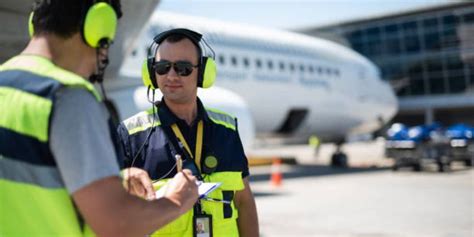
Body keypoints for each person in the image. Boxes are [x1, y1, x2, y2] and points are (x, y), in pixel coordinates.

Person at [0, 1, 198, 236]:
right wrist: (177, 200)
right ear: (97, 27)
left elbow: (30, 183)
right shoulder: (68, 98)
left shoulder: (6, 82)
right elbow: (117, 224)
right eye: (107, 43)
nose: (103, 56)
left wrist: (103, 178)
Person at [117, 28, 259, 236]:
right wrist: (122, 178)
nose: (171, 75)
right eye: (162, 67)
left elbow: (244, 201)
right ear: (151, 72)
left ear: (202, 73)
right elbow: (107, 205)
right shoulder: (131, 134)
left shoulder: (226, 130)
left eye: (183, 68)